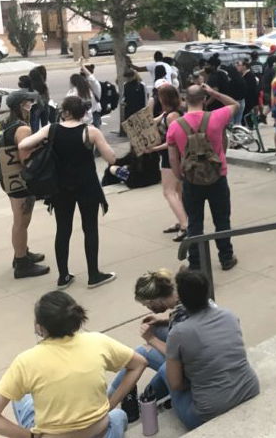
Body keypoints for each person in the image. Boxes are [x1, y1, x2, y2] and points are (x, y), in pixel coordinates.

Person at [0, 291, 146, 438]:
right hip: (101, 432)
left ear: (40, 327)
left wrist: (32, 437)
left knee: (19, 397)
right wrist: (110, 405)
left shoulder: (26, 361)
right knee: (119, 416)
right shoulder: (98, 341)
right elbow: (139, 363)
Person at [19, 96, 118, 289]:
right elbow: (111, 158)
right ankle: (93, 275)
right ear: (82, 112)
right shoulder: (90, 131)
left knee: (63, 230)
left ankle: (63, 276)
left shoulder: (52, 129)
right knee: (90, 229)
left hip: (60, 187)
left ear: (65, 112)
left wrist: (45, 145)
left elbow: (23, 145)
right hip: (87, 186)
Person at [164, 269, 259, 430]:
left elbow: (176, 384)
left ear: (180, 298)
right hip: (249, 389)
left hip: (209, 412)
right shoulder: (229, 315)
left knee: (162, 371)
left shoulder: (178, 333)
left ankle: (144, 401)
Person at [167, 84, 239, 271]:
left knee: (194, 223)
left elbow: (173, 157)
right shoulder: (216, 117)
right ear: (204, 99)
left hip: (191, 179)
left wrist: (179, 175)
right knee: (222, 220)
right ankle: (226, 257)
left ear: (185, 101)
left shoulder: (175, 126)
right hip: (218, 177)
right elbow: (234, 104)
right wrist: (214, 92)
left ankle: (196, 263)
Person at [107, 269, 187, 402]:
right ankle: (152, 393)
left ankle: (112, 395)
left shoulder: (180, 315)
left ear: (155, 300)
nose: (149, 309)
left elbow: (179, 356)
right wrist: (163, 321)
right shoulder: (185, 297)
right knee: (157, 329)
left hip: (192, 367)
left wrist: (151, 339)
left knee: (143, 351)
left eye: (148, 305)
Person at [0, 91, 50, 278]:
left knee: (20, 220)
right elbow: (26, 158)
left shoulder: (7, 123)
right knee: (21, 221)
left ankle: (21, 253)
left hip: (11, 180)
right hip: (21, 181)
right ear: (22, 105)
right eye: (29, 101)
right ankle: (22, 264)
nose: (31, 103)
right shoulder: (22, 129)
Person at [146, 85, 189, 242]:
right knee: (177, 191)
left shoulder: (172, 116)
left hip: (171, 156)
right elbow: (150, 122)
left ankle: (185, 225)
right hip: (169, 155)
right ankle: (183, 220)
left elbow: (175, 141)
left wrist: (154, 148)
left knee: (168, 191)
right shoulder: (167, 113)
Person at [27, 65, 52, 133]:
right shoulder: (44, 85)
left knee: (35, 128)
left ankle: (36, 141)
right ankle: (45, 140)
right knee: (45, 127)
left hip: (35, 107)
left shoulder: (30, 86)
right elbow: (48, 98)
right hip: (46, 106)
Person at [238, 58, 259, 124]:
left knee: (246, 118)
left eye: (239, 65)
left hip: (249, 101)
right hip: (246, 100)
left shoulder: (249, 75)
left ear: (244, 66)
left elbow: (250, 89)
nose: (238, 67)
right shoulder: (244, 75)